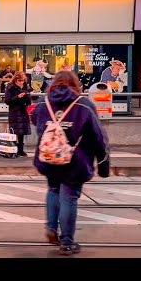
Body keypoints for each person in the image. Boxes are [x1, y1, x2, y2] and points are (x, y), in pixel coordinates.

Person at [31, 70, 110, 255]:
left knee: (53, 190)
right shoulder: (84, 105)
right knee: (69, 196)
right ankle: (66, 242)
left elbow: (35, 120)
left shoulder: (43, 102)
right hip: (75, 161)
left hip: (49, 158)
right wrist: (104, 165)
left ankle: (51, 228)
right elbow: (99, 138)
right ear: (75, 84)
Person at [4, 71, 32, 157]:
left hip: (23, 111)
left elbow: (29, 101)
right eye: (19, 81)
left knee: (21, 132)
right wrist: (17, 97)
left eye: (22, 81)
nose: (21, 83)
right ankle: (13, 149)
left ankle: (21, 150)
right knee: (14, 131)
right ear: (15, 80)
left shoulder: (25, 86)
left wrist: (27, 97)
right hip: (14, 111)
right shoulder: (11, 87)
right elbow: (7, 101)